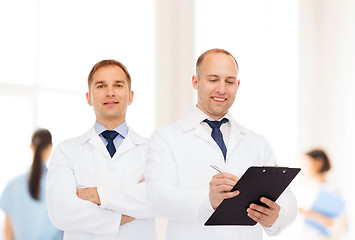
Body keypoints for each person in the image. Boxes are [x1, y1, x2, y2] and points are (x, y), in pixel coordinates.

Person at [145, 48, 297, 240]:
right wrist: (208, 200)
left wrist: (276, 216)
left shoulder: (257, 142)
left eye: (230, 81)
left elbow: (288, 200)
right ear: (195, 81)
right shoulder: (165, 138)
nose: (222, 89)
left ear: (238, 85)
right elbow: (157, 199)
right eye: (213, 79)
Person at [46, 60, 157, 240]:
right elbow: (61, 212)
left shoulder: (155, 150)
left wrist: (94, 195)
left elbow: (159, 201)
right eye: (101, 86)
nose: (110, 92)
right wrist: (129, 208)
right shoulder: (66, 151)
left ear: (130, 96)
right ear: (89, 97)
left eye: (118, 85)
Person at [0, 129, 63, 240]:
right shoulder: (59, 183)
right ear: (50, 147)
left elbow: (8, 229)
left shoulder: (13, 184)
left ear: (31, 146)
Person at [298, 149, 348, 239]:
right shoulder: (302, 189)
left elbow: (342, 226)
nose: (303, 168)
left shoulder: (332, 190)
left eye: (306, 164)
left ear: (319, 162)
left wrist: (311, 214)